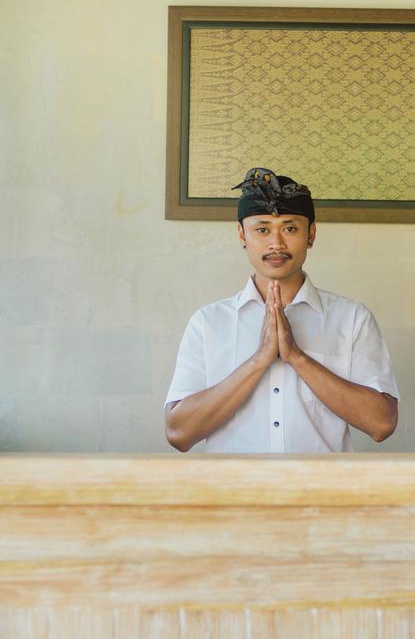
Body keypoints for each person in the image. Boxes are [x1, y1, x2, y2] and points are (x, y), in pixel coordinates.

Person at [165, 168, 399, 452]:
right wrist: (259, 360)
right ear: (242, 234)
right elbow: (178, 433)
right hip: (234, 494)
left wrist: (297, 358)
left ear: (311, 234)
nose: (276, 244)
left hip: (321, 494)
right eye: (262, 230)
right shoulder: (208, 322)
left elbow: (382, 424)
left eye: (290, 229)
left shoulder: (352, 319)